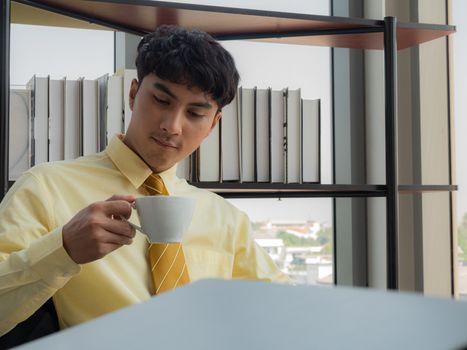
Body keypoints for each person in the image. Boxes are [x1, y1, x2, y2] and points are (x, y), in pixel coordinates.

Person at [0, 25, 288, 338]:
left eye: (194, 113)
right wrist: (63, 250)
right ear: (134, 94)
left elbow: (283, 313)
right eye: (162, 101)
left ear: (213, 124)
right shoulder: (47, 187)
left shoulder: (226, 219)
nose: (172, 126)